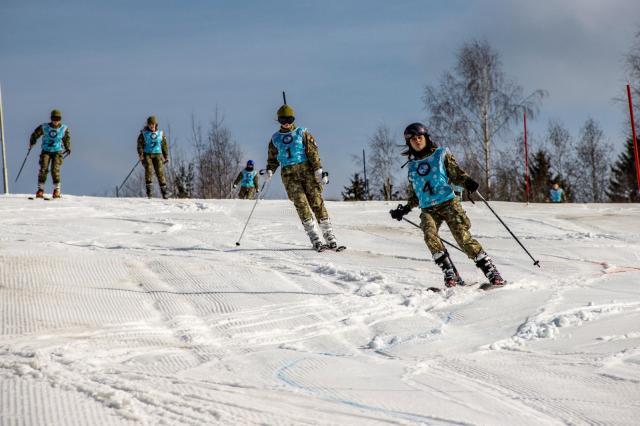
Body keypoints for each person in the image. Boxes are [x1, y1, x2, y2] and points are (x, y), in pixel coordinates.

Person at [390, 122, 505, 288]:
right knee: (430, 235)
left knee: (462, 238)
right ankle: (450, 272)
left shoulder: (440, 154)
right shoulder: (413, 167)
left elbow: (456, 173)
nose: (417, 141)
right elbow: (417, 192)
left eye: (419, 137)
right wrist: (405, 209)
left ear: (426, 138)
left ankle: (491, 272)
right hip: (428, 207)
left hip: (448, 202)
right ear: (409, 143)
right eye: (413, 139)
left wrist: (468, 182)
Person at [265, 103, 340, 251]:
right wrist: (270, 170)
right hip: (289, 174)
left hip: (307, 171)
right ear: (278, 120)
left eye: (290, 119)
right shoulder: (275, 139)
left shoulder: (301, 133)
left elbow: (312, 152)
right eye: (283, 120)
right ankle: (314, 237)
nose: (287, 123)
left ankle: (329, 235)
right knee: (301, 203)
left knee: (316, 201)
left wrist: (318, 169)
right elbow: (272, 159)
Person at [29, 109, 71, 199]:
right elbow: (35, 134)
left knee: (55, 170)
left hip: (57, 151)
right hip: (46, 151)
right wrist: (32, 141)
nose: (55, 121)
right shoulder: (45, 127)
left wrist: (67, 147)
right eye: (54, 118)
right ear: (51, 118)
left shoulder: (64, 128)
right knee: (43, 168)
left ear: (60, 119)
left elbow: (66, 139)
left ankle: (57, 190)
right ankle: (40, 190)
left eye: (58, 118)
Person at [137, 116, 169, 199]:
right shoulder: (144, 134)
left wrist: (166, 156)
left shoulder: (160, 134)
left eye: (153, 124)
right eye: (150, 124)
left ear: (156, 124)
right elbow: (139, 145)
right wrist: (141, 154)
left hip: (158, 154)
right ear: (148, 125)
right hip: (148, 154)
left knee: (160, 171)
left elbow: (164, 145)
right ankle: (149, 191)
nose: (152, 126)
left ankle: (164, 191)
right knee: (149, 169)